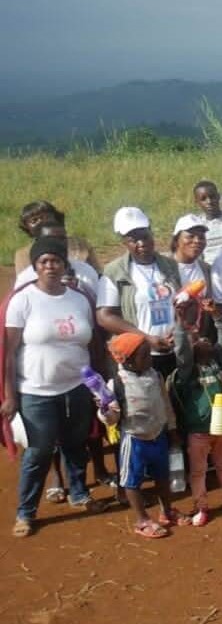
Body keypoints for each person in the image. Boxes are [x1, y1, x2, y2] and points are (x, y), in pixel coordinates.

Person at [3, 237, 104, 538]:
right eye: (44, 261)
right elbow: (8, 353)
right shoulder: (23, 301)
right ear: (35, 266)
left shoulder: (80, 298)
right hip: (37, 391)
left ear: (64, 264)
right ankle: (26, 512)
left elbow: (94, 343)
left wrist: (99, 384)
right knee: (39, 451)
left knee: (76, 445)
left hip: (77, 386)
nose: (50, 265)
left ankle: (79, 494)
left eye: (56, 260)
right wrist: (10, 395)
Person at [171, 297, 222, 525]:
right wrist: (179, 322)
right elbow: (182, 348)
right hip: (198, 430)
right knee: (198, 472)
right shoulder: (187, 371)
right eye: (196, 339)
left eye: (205, 337)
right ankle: (201, 507)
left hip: (221, 424)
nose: (202, 340)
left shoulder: (218, 360)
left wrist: (216, 314)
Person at [99, 333, 182, 539]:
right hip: (135, 439)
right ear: (126, 361)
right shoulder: (117, 384)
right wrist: (104, 411)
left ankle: (167, 511)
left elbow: (165, 404)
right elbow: (112, 417)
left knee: (162, 476)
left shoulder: (155, 375)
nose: (150, 359)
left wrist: (171, 429)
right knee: (132, 480)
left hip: (158, 435)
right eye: (144, 356)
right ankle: (142, 519)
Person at [97, 207, 181, 376]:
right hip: (139, 358)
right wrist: (146, 339)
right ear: (124, 242)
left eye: (144, 236)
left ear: (151, 232)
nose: (141, 243)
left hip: (175, 350)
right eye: (133, 239)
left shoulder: (170, 266)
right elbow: (104, 317)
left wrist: (178, 330)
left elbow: (183, 302)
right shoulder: (114, 272)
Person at [13, 200, 98, 273]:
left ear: (56, 218)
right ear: (27, 227)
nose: (41, 222)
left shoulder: (81, 245)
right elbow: (25, 284)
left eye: (46, 217)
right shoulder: (23, 255)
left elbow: (98, 274)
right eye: (34, 220)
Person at [190, 181, 222, 264]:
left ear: (219, 197)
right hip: (209, 269)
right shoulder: (197, 225)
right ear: (197, 201)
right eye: (203, 199)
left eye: (212, 197)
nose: (209, 201)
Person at [170, 215, 212, 288]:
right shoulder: (164, 269)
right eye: (190, 236)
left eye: (201, 237)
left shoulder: (206, 270)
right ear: (176, 241)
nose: (197, 241)